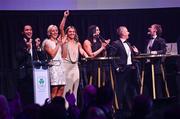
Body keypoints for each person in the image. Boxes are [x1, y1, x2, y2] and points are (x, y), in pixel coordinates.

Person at [59, 10, 88, 105]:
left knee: (75, 88)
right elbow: (61, 27)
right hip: (66, 67)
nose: (72, 33)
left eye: (73, 32)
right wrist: (65, 17)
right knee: (67, 89)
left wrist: (86, 55)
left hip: (75, 67)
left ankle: (73, 107)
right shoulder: (65, 41)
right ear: (67, 33)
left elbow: (82, 51)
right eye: (70, 32)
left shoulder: (78, 43)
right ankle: (66, 108)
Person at [109, 26, 139, 111]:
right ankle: (120, 108)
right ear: (122, 33)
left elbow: (135, 55)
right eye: (127, 31)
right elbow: (111, 57)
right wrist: (117, 68)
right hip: (122, 69)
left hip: (131, 68)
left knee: (132, 88)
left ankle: (133, 106)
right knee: (121, 89)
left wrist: (137, 52)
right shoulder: (116, 43)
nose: (128, 33)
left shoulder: (129, 44)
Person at [143, 24, 167, 99]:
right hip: (147, 66)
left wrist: (155, 52)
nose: (149, 28)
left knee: (157, 86)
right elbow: (146, 52)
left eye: (151, 27)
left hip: (156, 66)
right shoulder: (147, 40)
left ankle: (159, 103)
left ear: (155, 30)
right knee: (148, 86)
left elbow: (164, 50)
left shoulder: (161, 40)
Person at [42, 24, 66, 98]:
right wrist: (58, 44)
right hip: (53, 67)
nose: (55, 32)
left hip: (61, 67)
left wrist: (63, 44)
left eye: (56, 30)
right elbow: (52, 55)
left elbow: (64, 56)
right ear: (49, 33)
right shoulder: (47, 42)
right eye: (53, 31)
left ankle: (58, 106)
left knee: (62, 88)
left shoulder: (58, 42)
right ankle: (53, 107)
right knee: (55, 89)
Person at [16, 25, 34, 107]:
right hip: (24, 76)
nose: (29, 31)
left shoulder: (33, 42)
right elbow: (19, 58)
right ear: (23, 32)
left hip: (35, 75)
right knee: (25, 99)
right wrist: (27, 49)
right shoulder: (19, 43)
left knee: (33, 99)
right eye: (26, 30)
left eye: (30, 30)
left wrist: (38, 49)